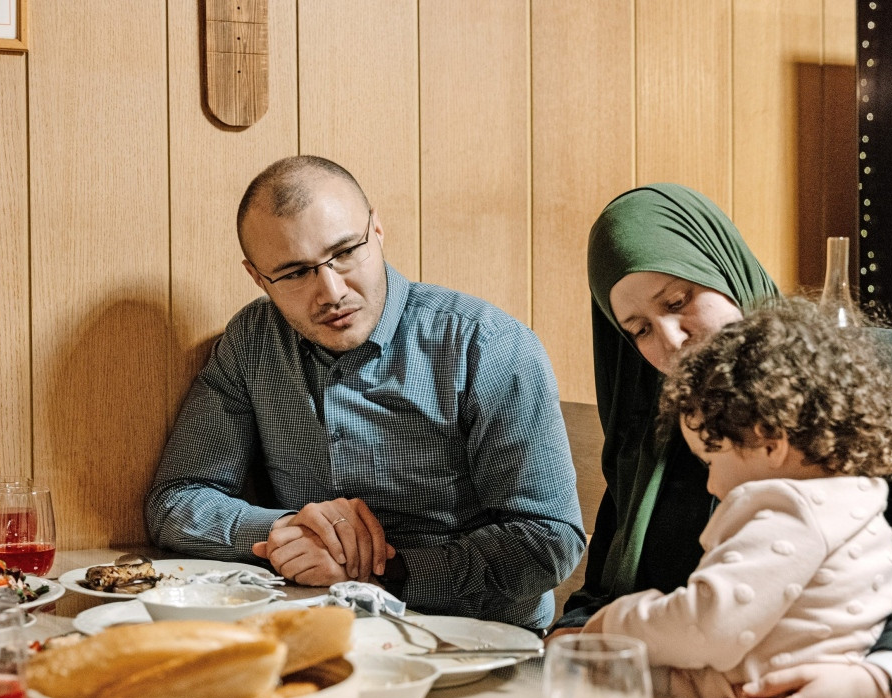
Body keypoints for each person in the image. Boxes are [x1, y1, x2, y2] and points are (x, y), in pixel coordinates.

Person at [560, 183, 892, 698]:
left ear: (724, 266)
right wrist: (573, 638)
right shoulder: (677, 432)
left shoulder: (891, 373)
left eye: (678, 300)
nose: (669, 339)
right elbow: (614, 585)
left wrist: (885, 686)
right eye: (637, 330)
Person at [145, 155, 586, 630]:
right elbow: (176, 500)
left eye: (345, 253)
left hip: (476, 640)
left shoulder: (488, 344)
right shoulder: (253, 342)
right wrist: (286, 530)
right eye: (295, 274)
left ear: (377, 231)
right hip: (312, 633)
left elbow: (548, 541)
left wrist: (385, 572)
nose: (331, 291)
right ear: (258, 277)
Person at [586, 298, 892, 698]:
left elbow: (709, 625)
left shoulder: (789, 512)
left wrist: (614, 623)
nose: (711, 483)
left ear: (771, 442)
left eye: (712, 460)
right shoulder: (856, 498)